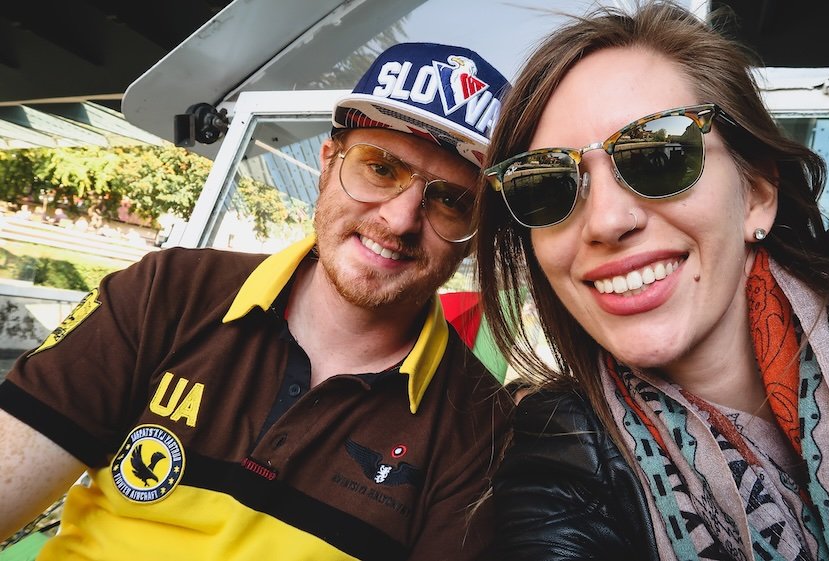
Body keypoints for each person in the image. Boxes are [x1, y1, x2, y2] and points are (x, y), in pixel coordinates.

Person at [474, 3, 829, 560]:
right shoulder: (560, 458)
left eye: (659, 154)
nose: (606, 221)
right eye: (548, 183)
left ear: (757, 194)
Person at [0, 42, 512, 561]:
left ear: (477, 230)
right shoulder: (168, 292)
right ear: (328, 163)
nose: (399, 220)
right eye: (380, 169)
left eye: (451, 200)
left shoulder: (479, 427)